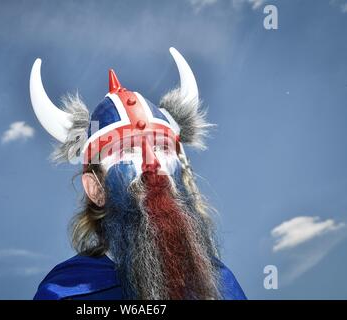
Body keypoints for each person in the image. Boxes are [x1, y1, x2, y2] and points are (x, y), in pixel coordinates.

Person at [29, 48, 246, 300]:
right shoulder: (64, 293)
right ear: (96, 189)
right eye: (127, 150)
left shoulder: (221, 283)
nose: (152, 163)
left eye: (162, 147)